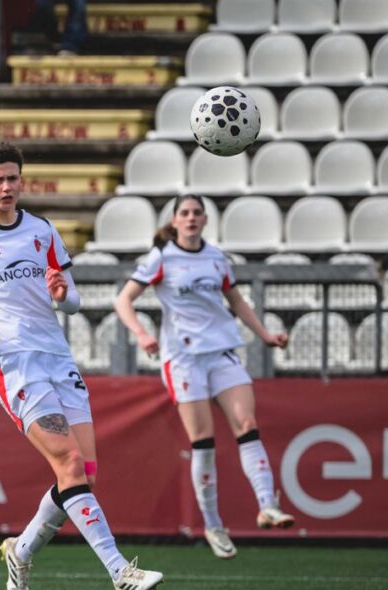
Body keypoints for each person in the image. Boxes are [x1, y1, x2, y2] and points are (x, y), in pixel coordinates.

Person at [0, 141, 163, 590]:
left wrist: (61, 294)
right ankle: (120, 570)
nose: (6, 186)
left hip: (57, 358)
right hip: (13, 362)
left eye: (12, 177)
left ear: (21, 180)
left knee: (83, 474)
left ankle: (21, 550)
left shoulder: (43, 230)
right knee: (69, 464)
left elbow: (72, 302)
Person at [114, 195, 295, 560]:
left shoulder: (216, 257)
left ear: (206, 220)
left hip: (222, 351)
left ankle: (267, 505)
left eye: (197, 212)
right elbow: (123, 300)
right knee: (204, 441)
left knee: (247, 424)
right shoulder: (162, 257)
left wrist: (264, 335)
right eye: (185, 213)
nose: (191, 218)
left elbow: (236, 300)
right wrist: (142, 334)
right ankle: (213, 524)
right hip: (183, 360)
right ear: (175, 221)